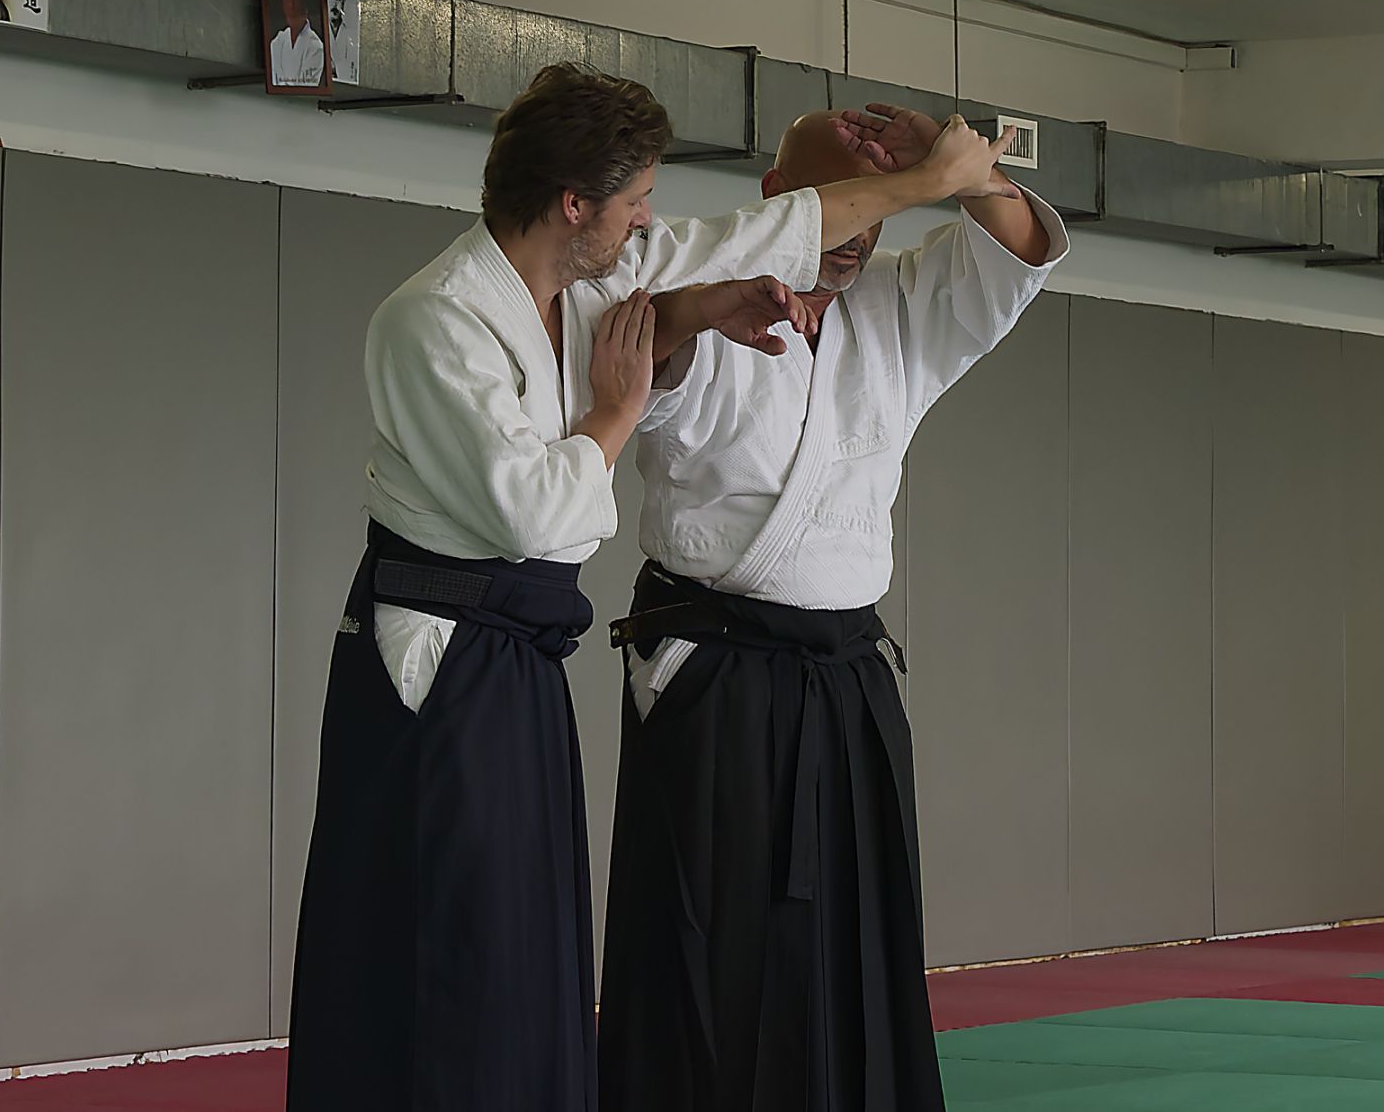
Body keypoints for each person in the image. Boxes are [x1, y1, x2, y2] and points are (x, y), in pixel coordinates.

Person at [285, 65, 1015, 1112]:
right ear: (574, 204)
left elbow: (743, 240)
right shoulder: (433, 319)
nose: (649, 220)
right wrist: (621, 407)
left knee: (528, 956)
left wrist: (718, 299)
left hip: (524, 655)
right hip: (439, 659)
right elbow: (535, 516)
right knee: (444, 941)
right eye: (636, 201)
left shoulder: (584, 291)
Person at [597, 102, 1065, 1112]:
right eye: (841, 206)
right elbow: (650, 352)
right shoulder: (694, 293)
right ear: (775, 197)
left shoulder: (897, 309)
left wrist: (958, 171)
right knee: (710, 946)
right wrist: (706, 306)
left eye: (879, 212)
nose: (858, 236)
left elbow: (1021, 249)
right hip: (712, 670)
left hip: (847, 679)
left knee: (860, 947)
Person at [270, 0, 326, 86]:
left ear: (305, 0)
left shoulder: (315, 47)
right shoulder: (277, 43)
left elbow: (304, 90)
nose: (291, 4)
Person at [326, 0, 359, 83]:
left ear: (343, 2)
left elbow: (353, 72)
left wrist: (334, 67)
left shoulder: (351, 36)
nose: (334, 4)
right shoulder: (317, 34)